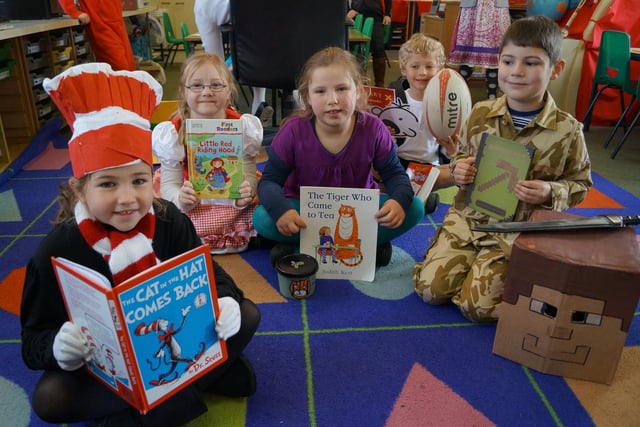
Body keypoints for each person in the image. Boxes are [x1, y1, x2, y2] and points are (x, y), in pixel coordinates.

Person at [21, 63, 260, 426]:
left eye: (138, 180)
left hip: (173, 338)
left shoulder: (170, 221)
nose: (127, 198)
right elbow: (32, 340)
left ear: (153, 178)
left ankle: (151, 403)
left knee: (248, 314)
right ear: (79, 189)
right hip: (104, 364)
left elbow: (213, 275)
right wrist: (58, 346)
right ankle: (190, 389)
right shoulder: (55, 251)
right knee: (49, 400)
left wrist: (225, 300)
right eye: (107, 184)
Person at [413, 15, 592, 322]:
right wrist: (458, 170)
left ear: (555, 70)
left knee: (478, 309)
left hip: (516, 231)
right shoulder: (481, 112)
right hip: (468, 220)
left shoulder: (567, 130)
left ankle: (504, 272)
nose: (517, 72)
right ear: (498, 63)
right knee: (430, 290)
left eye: (532, 63)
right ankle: (468, 263)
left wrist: (551, 190)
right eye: (509, 61)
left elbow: (581, 184)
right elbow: (461, 157)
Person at [252, 47, 424, 267]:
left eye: (341, 88)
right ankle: (363, 244)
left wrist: (398, 201)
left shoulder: (374, 128)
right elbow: (269, 182)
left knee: (414, 207)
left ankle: (304, 247)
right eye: (320, 91)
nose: (332, 99)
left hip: (360, 215)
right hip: (306, 213)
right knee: (263, 218)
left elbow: (394, 174)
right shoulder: (293, 131)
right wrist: (282, 211)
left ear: (358, 91)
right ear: (307, 97)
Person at [152, 53, 263, 254]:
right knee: (165, 215)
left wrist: (244, 196)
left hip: (230, 197)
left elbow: (248, 174)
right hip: (192, 196)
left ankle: (237, 230)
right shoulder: (173, 132)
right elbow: (169, 184)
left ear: (229, 90)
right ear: (183, 92)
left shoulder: (243, 127)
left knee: (261, 211)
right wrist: (180, 199)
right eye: (196, 85)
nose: (207, 92)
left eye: (216, 85)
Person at [388, 33, 458, 213]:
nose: (422, 73)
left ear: (440, 69)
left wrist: (453, 151)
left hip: (431, 167)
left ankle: (418, 194)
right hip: (398, 163)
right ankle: (411, 194)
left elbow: (453, 151)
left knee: (459, 170)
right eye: (415, 66)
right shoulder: (393, 100)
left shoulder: (448, 105)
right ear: (403, 69)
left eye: (429, 66)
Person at [194, 0, 274, 125]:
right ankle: (259, 104)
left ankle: (227, 108)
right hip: (292, 65)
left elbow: (215, 60)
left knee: (216, 66)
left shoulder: (205, 4)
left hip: (246, 64)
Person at [447, 0, 511, 99]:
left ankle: (492, 99)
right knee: (467, 55)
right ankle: (457, 97)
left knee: (494, 56)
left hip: (496, 6)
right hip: (472, 7)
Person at [56, 0, 136, 71]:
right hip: (100, 25)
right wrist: (74, 12)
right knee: (120, 69)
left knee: (130, 69)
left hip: (117, 22)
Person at [347, 0, 392, 87]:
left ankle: (380, 85)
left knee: (379, 49)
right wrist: (348, 10)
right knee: (352, 49)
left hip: (376, 17)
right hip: (356, 16)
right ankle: (354, 82)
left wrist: (387, 14)